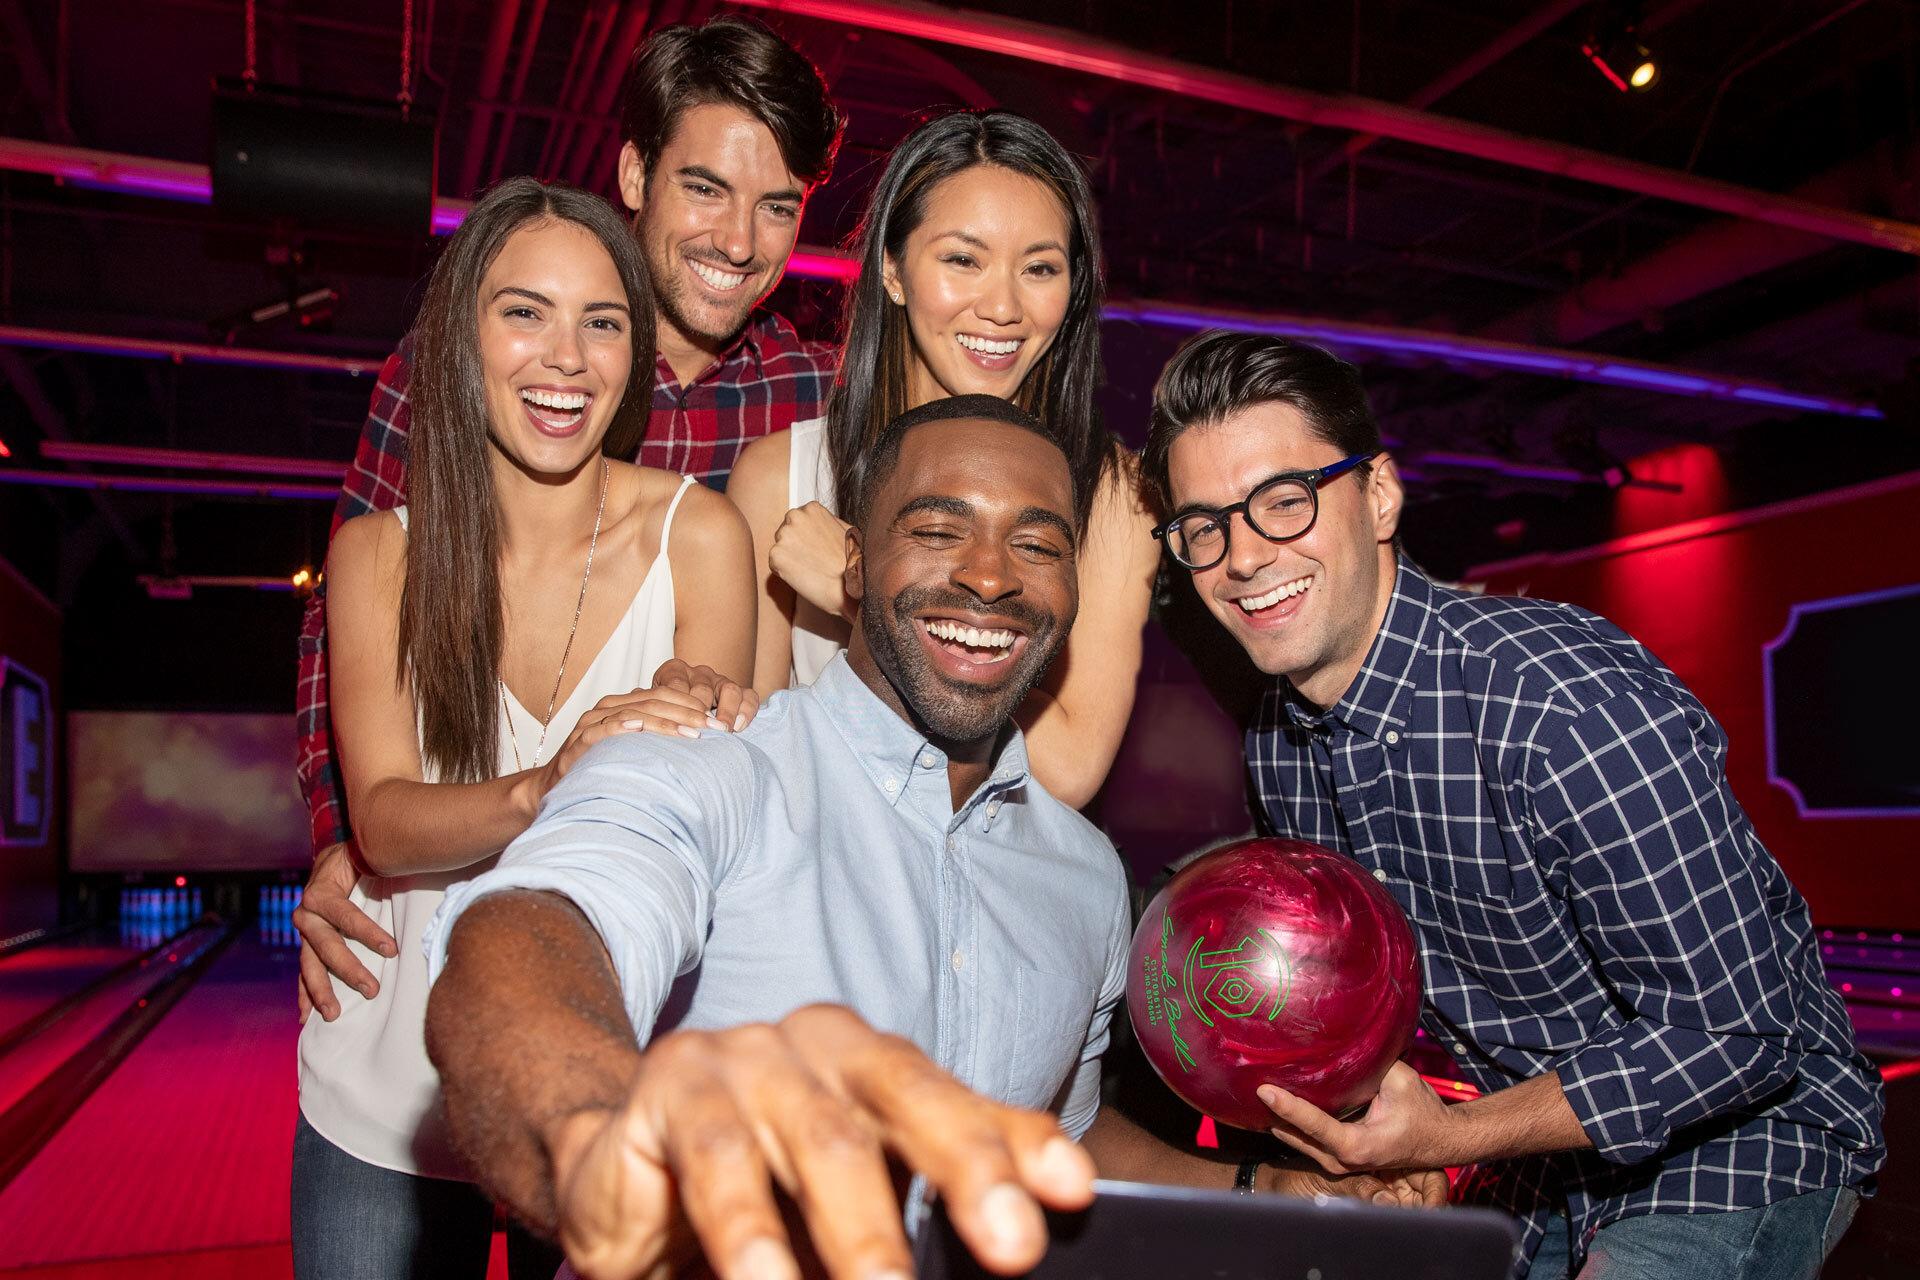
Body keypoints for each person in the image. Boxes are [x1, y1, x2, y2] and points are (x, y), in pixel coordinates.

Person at [420, 396, 1442, 1280]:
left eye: (1038, 542)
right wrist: (600, 1128)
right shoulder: (714, 765)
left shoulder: (1083, 876)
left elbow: (1061, 1139)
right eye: (940, 529)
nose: (992, 576)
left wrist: (1282, 1189)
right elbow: (528, 942)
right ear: (855, 565)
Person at [1142, 330, 1887, 1280]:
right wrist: (1389, 1143)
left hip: (1742, 1148)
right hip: (1542, 1155)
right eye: (1203, 526)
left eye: (1283, 503)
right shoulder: (1279, 750)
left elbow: (1740, 1034)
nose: (1242, 557)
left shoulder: (1557, 703)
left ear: (1377, 496)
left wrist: (1448, 1134)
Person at [293, 15, 843, 1017]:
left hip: (657, 923)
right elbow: (345, 620)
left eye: (778, 205)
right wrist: (347, 835)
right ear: (634, 174)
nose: (738, 240)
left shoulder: (816, 400)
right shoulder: (451, 378)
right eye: (705, 189)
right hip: (440, 880)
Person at [291, 177, 758, 1279]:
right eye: (524, 312)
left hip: (606, 1074)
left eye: (602, 322)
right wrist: (555, 779)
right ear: (463, 336)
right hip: (386, 1081)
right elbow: (390, 826)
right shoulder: (380, 555)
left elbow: (695, 836)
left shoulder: (702, 536)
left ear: (635, 352)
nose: (567, 357)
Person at [726, 109, 1160, 809]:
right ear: (893, 270)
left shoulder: (1112, 494)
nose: (1003, 306)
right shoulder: (781, 477)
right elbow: (753, 753)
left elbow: (1070, 770)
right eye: (964, 259)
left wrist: (858, 600)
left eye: (1040, 268)